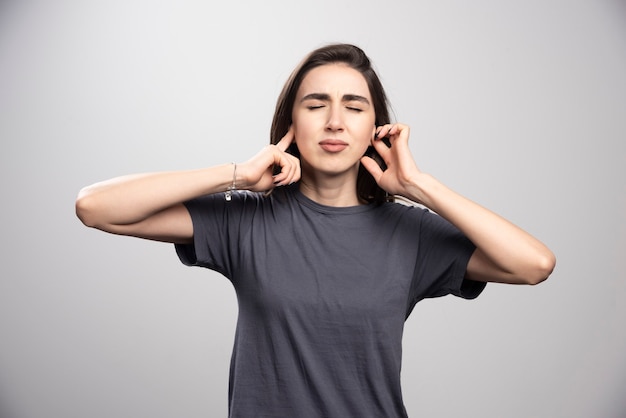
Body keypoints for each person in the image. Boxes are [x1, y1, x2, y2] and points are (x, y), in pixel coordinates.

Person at [76, 43, 555, 417]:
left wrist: (419, 186)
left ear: (376, 128)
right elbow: (95, 207)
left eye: (353, 106)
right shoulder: (245, 219)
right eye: (315, 104)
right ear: (292, 124)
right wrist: (238, 173)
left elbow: (534, 264)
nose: (334, 122)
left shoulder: (413, 233)